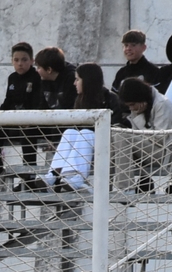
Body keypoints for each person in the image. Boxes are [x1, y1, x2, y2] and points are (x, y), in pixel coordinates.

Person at [16, 63, 121, 194]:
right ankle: (53, 174)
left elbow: (116, 126)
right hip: (84, 146)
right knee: (69, 132)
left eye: (77, 79)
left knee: (85, 133)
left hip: (106, 145)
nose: (74, 83)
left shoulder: (110, 98)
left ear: (87, 81)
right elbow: (74, 126)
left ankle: (77, 177)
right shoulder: (79, 100)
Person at [0, 42, 42, 180]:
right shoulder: (12, 78)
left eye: (24, 60)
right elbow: (8, 101)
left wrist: (29, 119)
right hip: (13, 122)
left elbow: (38, 102)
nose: (20, 63)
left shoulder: (37, 77)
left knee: (27, 134)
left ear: (32, 61)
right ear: (12, 61)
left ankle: (29, 176)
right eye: (16, 60)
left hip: (31, 123)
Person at [114, 78, 172, 193]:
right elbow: (137, 136)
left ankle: (126, 189)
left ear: (140, 98)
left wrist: (139, 118)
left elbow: (159, 139)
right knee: (113, 134)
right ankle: (105, 186)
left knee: (122, 136)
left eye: (132, 105)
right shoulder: (138, 105)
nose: (131, 108)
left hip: (163, 154)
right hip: (145, 151)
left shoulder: (162, 103)